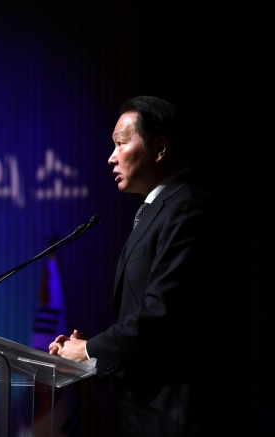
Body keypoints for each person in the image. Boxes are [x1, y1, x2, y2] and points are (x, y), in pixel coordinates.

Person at [49, 96, 227, 436]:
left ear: (159, 147)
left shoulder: (187, 207)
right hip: (144, 413)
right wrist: (88, 350)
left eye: (120, 143)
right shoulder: (156, 209)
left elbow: (160, 314)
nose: (111, 157)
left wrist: (88, 349)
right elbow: (144, 317)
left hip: (172, 415)